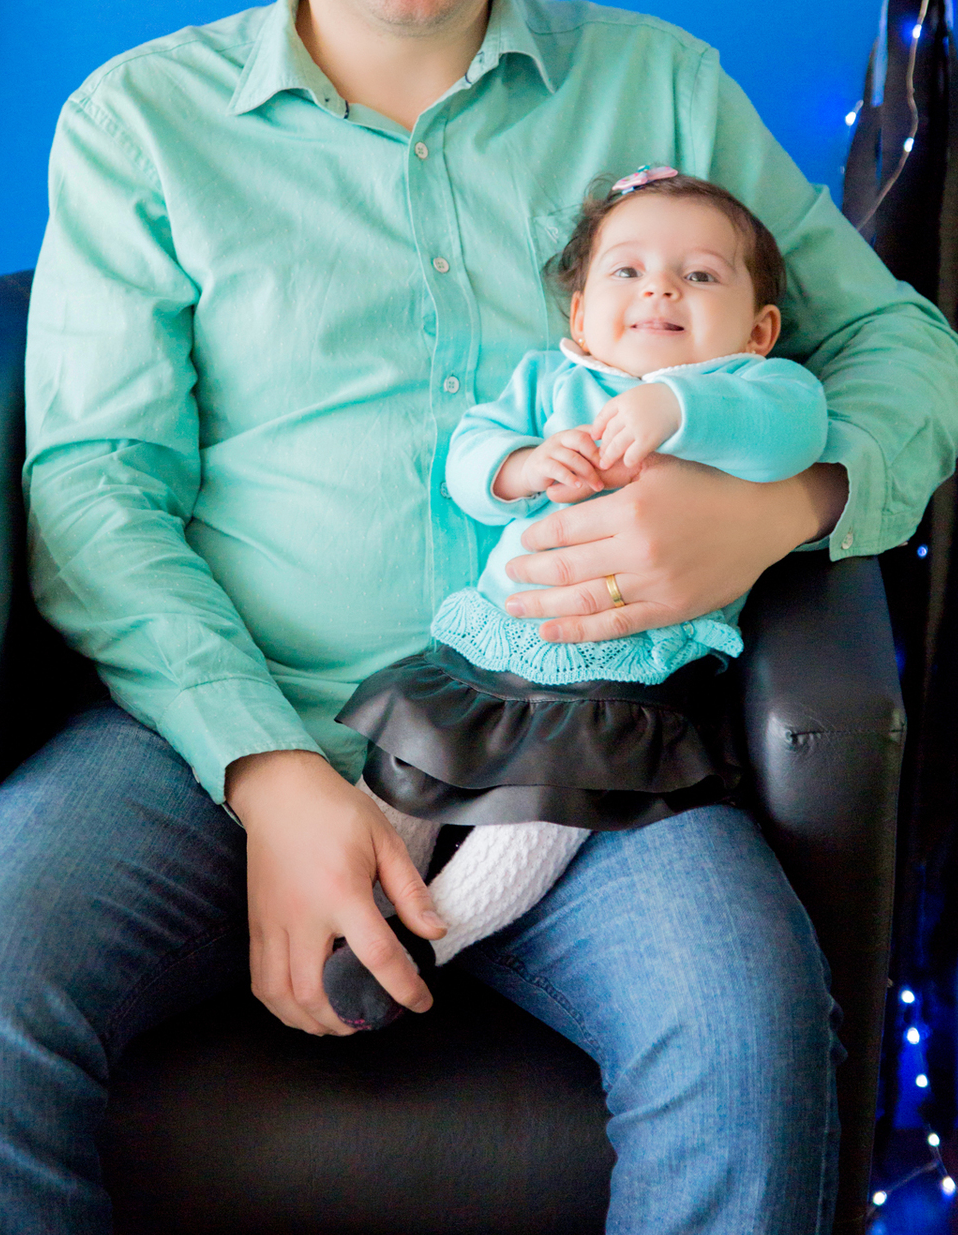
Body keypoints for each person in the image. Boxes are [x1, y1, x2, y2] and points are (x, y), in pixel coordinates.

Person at [0, 0, 958, 1235]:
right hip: (211, 727)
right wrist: (273, 777)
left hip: (582, 738)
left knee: (746, 1030)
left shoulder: (658, 87)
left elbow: (908, 352)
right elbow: (97, 491)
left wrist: (785, 508)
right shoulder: (142, 123)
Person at [325, 167, 829, 1028]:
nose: (659, 287)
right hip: (494, 648)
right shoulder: (549, 383)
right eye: (627, 271)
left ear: (759, 329)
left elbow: (794, 434)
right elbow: (468, 456)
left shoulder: (756, 389)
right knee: (408, 770)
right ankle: (361, 921)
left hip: (616, 685)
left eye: (700, 274)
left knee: (544, 813)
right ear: (581, 316)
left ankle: (431, 940)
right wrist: (521, 466)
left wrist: (673, 408)